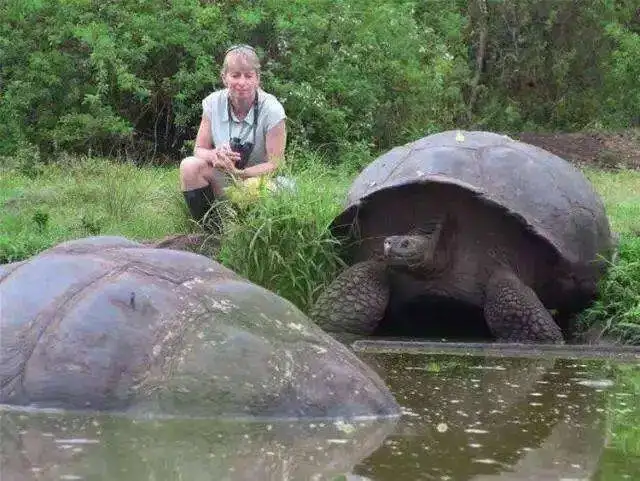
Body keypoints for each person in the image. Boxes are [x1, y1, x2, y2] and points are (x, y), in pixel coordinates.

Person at [179, 44, 287, 231]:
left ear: (258, 78)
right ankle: (211, 233)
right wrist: (214, 155)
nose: (242, 82)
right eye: (235, 75)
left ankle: (249, 236)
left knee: (256, 191)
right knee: (189, 165)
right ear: (224, 77)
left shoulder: (272, 109)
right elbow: (199, 149)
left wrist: (241, 173)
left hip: (262, 180)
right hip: (226, 176)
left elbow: (276, 164)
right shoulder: (213, 103)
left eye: (248, 75)